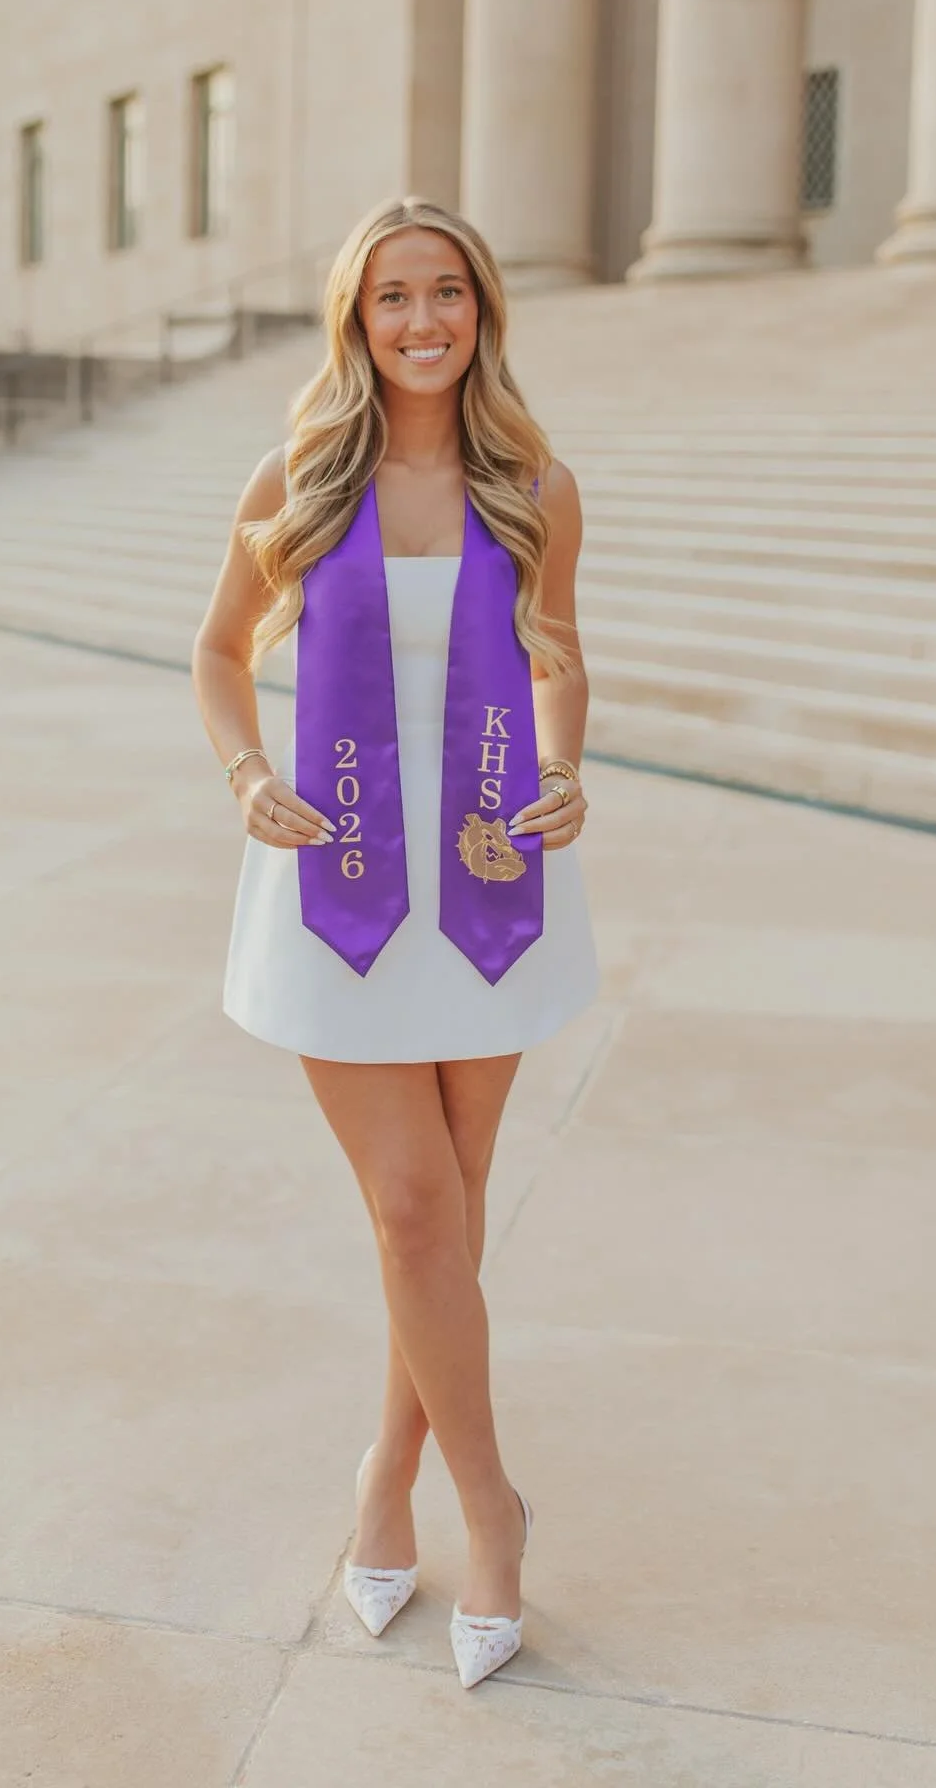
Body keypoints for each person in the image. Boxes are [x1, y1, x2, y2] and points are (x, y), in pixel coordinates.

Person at [191, 196, 599, 1689]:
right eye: (391, 299)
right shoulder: (301, 477)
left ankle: (383, 1484)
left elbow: (562, 657)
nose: (422, 321)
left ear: (483, 310)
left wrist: (568, 766)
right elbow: (222, 652)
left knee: (439, 1220)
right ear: (354, 323)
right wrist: (250, 776)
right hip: (341, 874)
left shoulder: (533, 488)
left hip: (487, 875)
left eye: (447, 294)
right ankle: (488, 1507)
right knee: (418, 1210)